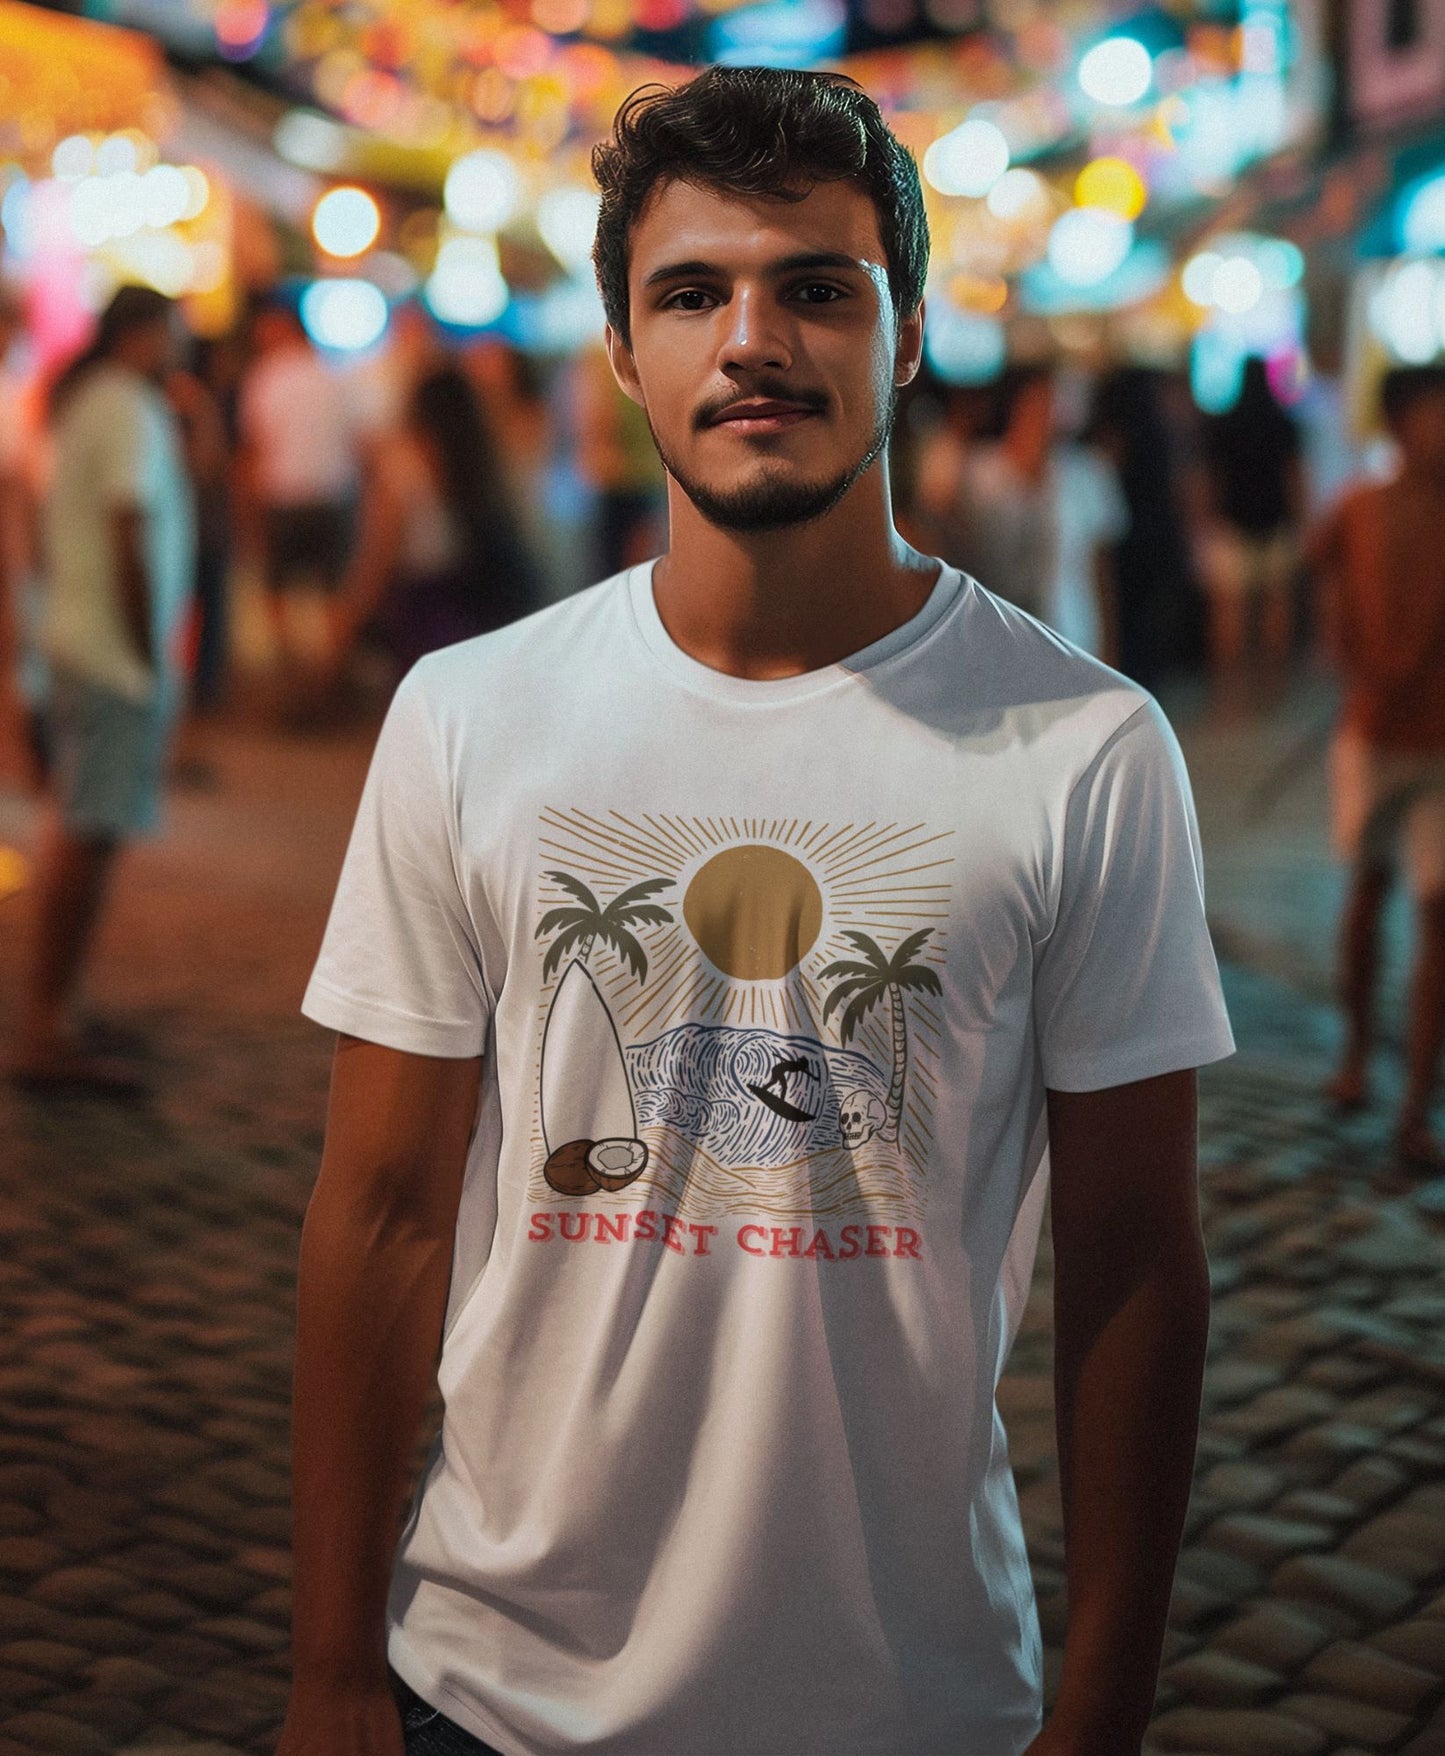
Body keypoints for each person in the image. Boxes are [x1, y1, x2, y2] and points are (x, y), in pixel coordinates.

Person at [282, 66, 1234, 1756]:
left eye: (816, 287)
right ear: (626, 350)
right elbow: (381, 1210)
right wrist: (334, 1671)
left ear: (909, 332)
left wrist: (1102, 1714)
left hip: (912, 1700)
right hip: (489, 1692)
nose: (753, 339)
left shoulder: (1085, 749)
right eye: (692, 292)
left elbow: (1139, 1263)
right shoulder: (467, 715)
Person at [9, 285, 194, 1092]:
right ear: (146, 335)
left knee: (87, 828)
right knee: (87, 833)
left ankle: (65, 1008)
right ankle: (47, 1025)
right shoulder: (123, 405)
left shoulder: (88, 402)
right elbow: (129, 525)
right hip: (113, 653)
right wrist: (146, 647)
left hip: (87, 645)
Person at [1309, 364, 1445, 1170]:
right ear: (1400, 423)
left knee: (1438, 915)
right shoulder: (1356, 508)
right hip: (1370, 734)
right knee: (1365, 896)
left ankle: (1416, 1103)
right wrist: (1348, 651)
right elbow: (1322, 578)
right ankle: (1357, 1054)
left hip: (1441, 745)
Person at [327, 362, 540, 682]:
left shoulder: (401, 464)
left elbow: (380, 551)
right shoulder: (486, 461)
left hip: (420, 606)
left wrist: (348, 617)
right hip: (480, 598)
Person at [918, 363, 1126, 660]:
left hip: (1072, 634)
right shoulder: (977, 475)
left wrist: (1109, 653)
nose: (1044, 418)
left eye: (1053, 406)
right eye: (1035, 406)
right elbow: (937, 534)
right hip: (995, 642)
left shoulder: (1085, 473)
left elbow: (1100, 572)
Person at [236, 297, 358, 668]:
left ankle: (293, 671)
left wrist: (249, 515)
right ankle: (326, 675)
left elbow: (254, 452)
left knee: (280, 593)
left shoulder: (266, 377)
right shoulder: (334, 373)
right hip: (333, 499)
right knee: (332, 592)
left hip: (285, 500)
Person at [1197, 354, 1306, 684]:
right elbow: (1294, 476)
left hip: (1231, 521)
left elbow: (1209, 476)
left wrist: (1204, 518)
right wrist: (1301, 518)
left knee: (1231, 609)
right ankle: (1273, 678)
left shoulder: (1223, 422)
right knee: (1276, 603)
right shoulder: (1284, 422)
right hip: (1275, 520)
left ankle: (1230, 681)